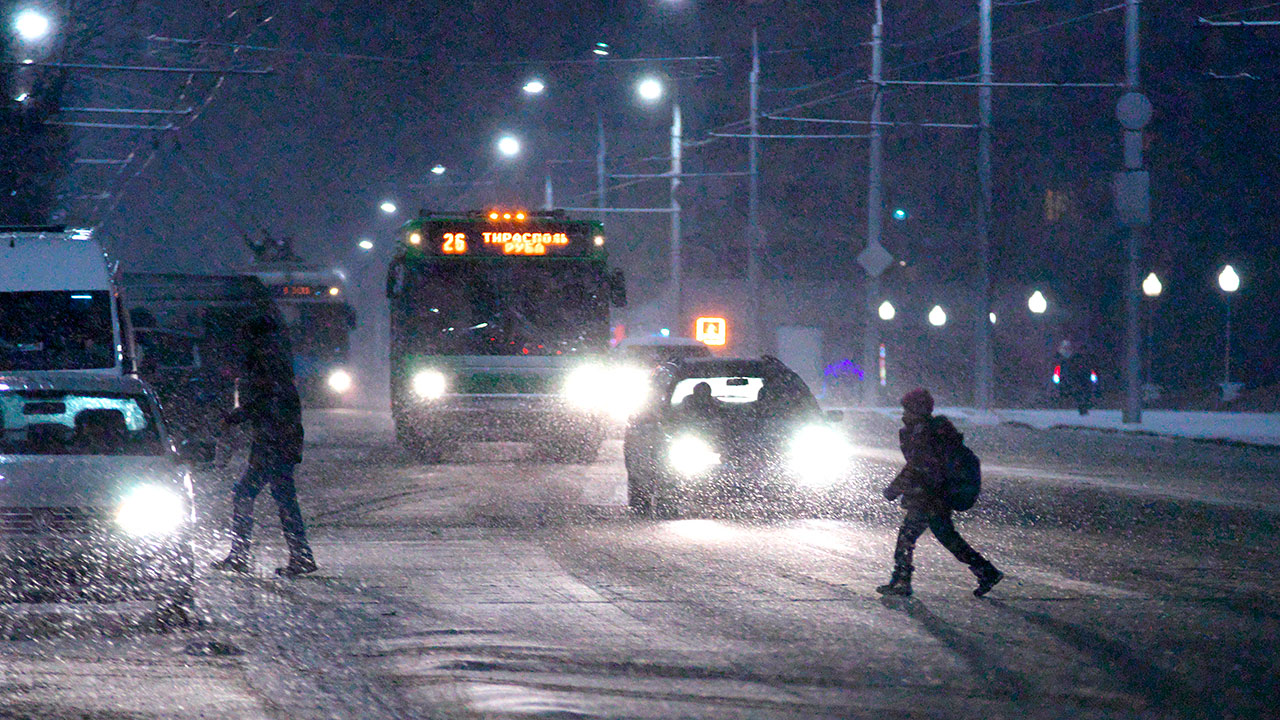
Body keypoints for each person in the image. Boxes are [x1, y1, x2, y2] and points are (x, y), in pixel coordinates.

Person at [212, 315, 317, 578]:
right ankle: (298, 555)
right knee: (278, 498)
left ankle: (244, 555)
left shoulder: (265, 363)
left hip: (273, 442)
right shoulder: (277, 360)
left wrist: (235, 417)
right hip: (280, 441)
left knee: (252, 495)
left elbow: (264, 403)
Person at [877, 388, 1002, 598]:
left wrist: (895, 488)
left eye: (906, 409)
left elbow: (917, 466)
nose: (903, 413)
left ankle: (902, 580)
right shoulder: (932, 430)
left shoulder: (922, 433)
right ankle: (986, 571)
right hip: (938, 493)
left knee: (907, 537)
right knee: (946, 536)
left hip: (930, 495)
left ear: (916, 410)